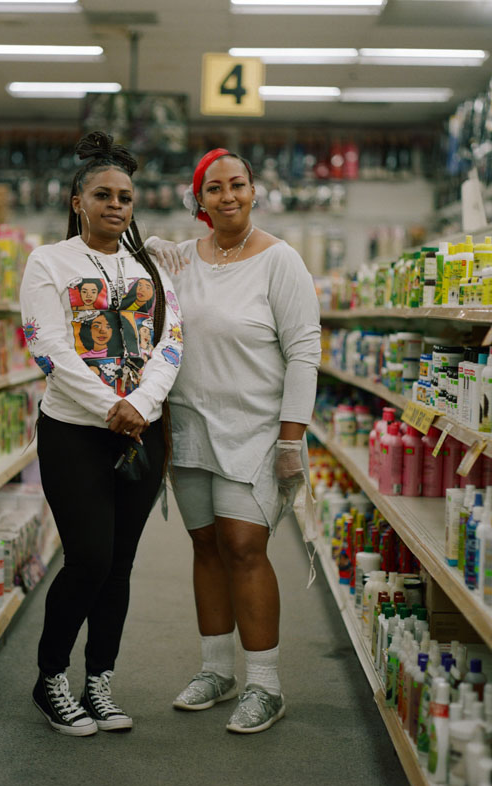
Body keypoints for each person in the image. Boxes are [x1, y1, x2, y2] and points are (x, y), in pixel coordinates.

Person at [146, 148, 320, 733]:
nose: (228, 196)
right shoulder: (180, 259)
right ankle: (216, 670)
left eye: (237, 185)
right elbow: (130, 286)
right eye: (214, 188)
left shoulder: (280, 261)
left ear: (254, 190)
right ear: (199, 201)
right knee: (206, 547)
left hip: (254, 430)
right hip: (189, 425)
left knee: (245, 547)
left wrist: (292, 436)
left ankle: (265, 684)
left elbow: (303, 352)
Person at [20, 131, 183, 736]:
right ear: (77, 201)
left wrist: (140, 404)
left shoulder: (149, 267)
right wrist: (111, 404)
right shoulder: (49, 262)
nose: (117, 205)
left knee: (119, 564)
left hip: (142, 432)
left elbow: (172, 340)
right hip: (74, 433)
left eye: (126, 197)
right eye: (104, 195)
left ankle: (99, 681)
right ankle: (51, 677)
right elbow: (46, 344)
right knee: (87, 556)